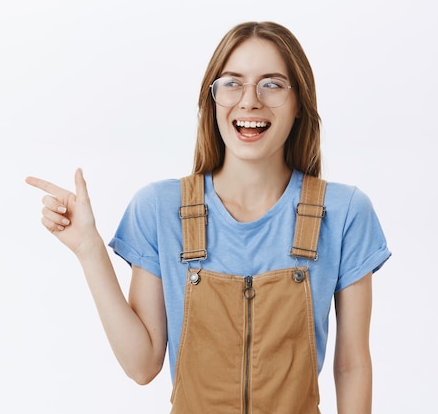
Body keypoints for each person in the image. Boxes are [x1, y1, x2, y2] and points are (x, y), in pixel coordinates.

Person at [26, 21, 390, 414]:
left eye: (272, 83)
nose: (250, 100)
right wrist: (89, 249)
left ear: (299, 102)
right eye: (232, 83)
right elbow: (142, 365)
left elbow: (352, 366)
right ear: (212, 99)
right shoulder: (159, 209)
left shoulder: (346, 212)